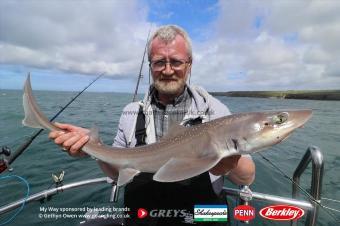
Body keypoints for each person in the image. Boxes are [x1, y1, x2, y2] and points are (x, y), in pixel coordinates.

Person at [49, 25, 255, 225]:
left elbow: (247, 177)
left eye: (175, 62)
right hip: (145, 214)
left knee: (215, 217)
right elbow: (116, 174)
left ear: (189, 64)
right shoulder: (131, 113)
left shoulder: (215, 111)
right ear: (150, 66)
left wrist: (230, 164)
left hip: (204, 214)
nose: (167, 70)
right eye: (159, 62)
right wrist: (93, 147)